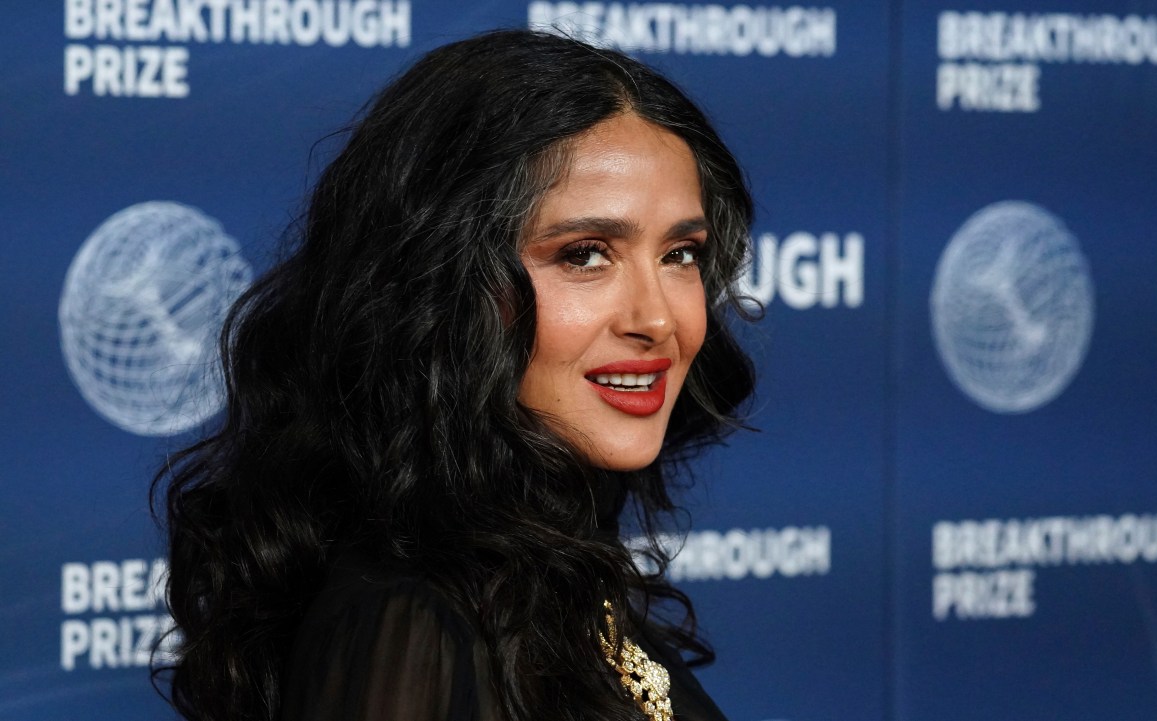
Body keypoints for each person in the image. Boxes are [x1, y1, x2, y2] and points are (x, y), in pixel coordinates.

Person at [154, 29, 755, 721]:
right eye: (585, 254)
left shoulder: (560, 581)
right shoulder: (410, 628)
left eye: (681, 254)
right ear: (443, 285)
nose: (657, 318)